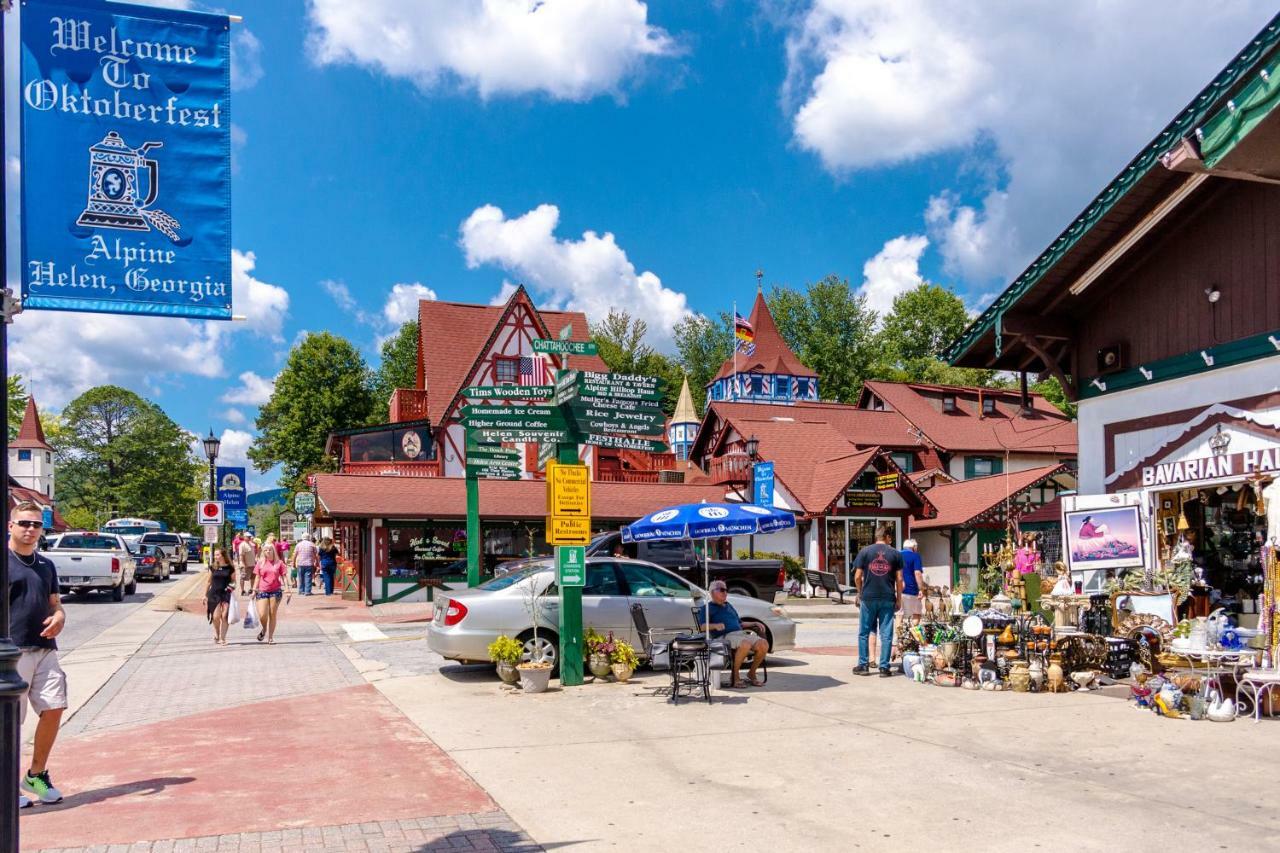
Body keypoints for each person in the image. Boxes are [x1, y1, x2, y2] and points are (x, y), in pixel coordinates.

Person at [8, 502, 67, 807]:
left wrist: (58, 617)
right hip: (11, 653)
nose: (30, 530)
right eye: (24, 524)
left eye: (36, 525)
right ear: (11, 526)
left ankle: (36, 774)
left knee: (55, 707)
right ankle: (7, 784)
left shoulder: (46, 565)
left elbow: (55, 603)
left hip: (44, 649)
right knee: (10, 721)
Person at [695, 579, 767, 688]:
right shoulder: (707, 608)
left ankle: (751, 673)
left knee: (763, 644)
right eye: (722, 590)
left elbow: (740, 623)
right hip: (725, 637)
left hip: (740, 633)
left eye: (726, 590)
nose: (725, 592)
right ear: (712, 592)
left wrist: (754, 622)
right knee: (745, 644)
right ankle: (735, 676)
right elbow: (702, 627)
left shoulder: (728, 605)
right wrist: (715, 625)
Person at [852, 524, 902, 677]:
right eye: (890, 537)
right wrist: (899, 599)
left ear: (876, 537)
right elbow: (899, 579)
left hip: (868, 597)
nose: (891, 540)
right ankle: (884, 668)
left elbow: (857, 577)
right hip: (887, 597)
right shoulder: (895, 554)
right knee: (886, 634)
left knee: (864, 632)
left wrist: (860, 592)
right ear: (887, 537)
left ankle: (863, 665)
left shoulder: (865, 552)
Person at [253, 543, 292, 644]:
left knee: (272, 614)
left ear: (273, 550)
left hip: (275, 591)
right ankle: (264, 629)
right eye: (265, 550)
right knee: (262, 615)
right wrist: (254, 590)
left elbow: (284, 576)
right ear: (263, 552)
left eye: (270, 550)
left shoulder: (279, 563)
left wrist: (287, 589)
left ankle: (270, 637)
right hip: (262, 590)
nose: (268, 552)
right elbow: (257, 577)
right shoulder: (260, 563)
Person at [206, 547, 236, 645]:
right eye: (215, 555)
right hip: (214, 594)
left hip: (226, 593)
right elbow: (208, 581)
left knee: (224, 616)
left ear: (223, 556)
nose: (216, 556)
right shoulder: (213, 567)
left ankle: (223, 638)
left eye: (217, 554)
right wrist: (205, 595)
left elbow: (233, 582)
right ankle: (217, 634)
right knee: (215, 617)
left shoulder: (230, 568)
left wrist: (229, 589)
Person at [899, 538, 926, 624]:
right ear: (913, 547)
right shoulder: (915, 556)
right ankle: (914, 635)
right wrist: (921, 589)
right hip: (912, 590)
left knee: (899, 614)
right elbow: (917, 573)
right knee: (916, 613)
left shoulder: (897, 555)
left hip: (898, 590)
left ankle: (899, 636)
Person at [236, 531, 257, 597]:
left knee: (253, 577)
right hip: (245, 565)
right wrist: (244, 565)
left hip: (252, 564)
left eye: (250, 536)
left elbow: (256, 549)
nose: (249, 537)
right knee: (243, 577)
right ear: (244, 537)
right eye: (248, 537)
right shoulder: (242, 545)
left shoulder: (251, 544)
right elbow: (242, 555)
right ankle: (242, 591)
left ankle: (251, 589)